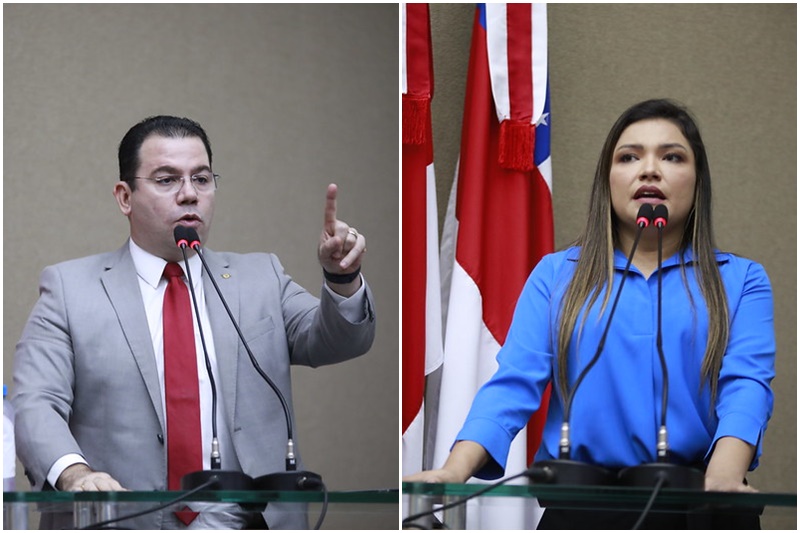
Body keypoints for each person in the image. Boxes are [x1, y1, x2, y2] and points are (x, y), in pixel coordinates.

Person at [404, 99, 775, 529]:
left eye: (671, 156)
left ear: (697, 182)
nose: (649, 170)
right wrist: (454, 470)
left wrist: (724, 480)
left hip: (701, 506)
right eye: (629, 156)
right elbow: (511, 385)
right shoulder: (557, 276)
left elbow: (746, 386)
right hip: (581, 509)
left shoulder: (743, 280)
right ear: (608, 180)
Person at [12, 115, 376, 529]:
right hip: (119, 519)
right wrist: (76, 475)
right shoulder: (71, 289)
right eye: (167, 180)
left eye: (201, 179)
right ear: (124, 197)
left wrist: (342, 278)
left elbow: (338, 341)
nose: (189, 195)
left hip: (248, 520)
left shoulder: (261, 278)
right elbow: (35, 402)